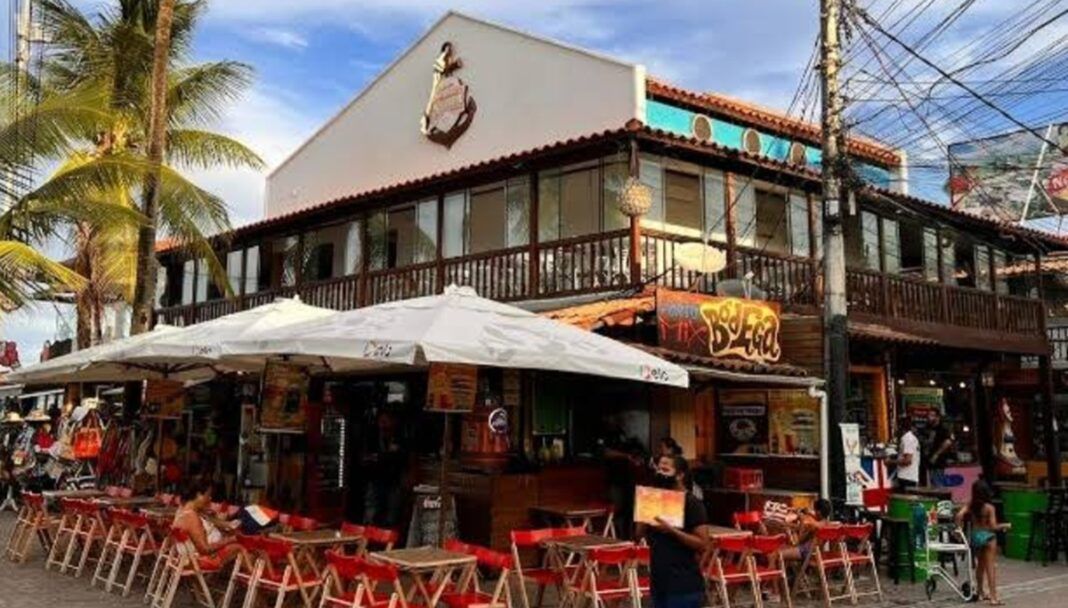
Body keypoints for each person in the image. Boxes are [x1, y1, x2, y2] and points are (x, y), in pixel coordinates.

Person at [636, 454, 711, 608]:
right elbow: (638, 535)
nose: (659, 472)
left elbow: (703, 544)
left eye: (665, 469)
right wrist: (642, 510)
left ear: (679, 475)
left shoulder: (692, 503)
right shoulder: (654, 498)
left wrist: (672, 530)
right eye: (658, 468)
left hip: (683, 585)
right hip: (659, 583)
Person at [955, 480, 1010, 605]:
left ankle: (980, 592)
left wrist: (959, 532)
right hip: (988, 537)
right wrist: (1005, 525)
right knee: (990, 567)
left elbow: (959, 515)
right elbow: (993, 526)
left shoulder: (970, 505)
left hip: (976, 537)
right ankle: (994, 597)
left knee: (980, 566)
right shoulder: (989, 508)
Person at [172, 479, 239, 568]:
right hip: (198, 561)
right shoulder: (192, 517)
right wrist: (230, 540)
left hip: (186, 558)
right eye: (208, 495)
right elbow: (205, 550)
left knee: (239, 547)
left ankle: (254, 577)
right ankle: (255, 578)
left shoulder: (182, 511)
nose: (210, 498)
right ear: (199, 495)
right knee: (240, 547)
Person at [777, 498, 833, 563]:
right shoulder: (828, 525)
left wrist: (802, 520)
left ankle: (776, 571)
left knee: (777, 554)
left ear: (818, 512)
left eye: (814, 510)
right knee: (784, 549)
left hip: (805, 552)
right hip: (816, 552)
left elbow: (800, 540)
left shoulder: (813, 525)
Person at [926, 413, 956, 486]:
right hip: (929, 462)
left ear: (937, 417)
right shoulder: (928, 428)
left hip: (938, 462)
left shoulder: (943, 428)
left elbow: (948, 442)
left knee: (938, 484)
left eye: (931, 415)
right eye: (928, 416)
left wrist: (936, 454)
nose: (929, 418)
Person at [895, 417, 921, 490]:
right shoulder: (911, 438)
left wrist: (890, 462)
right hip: (911, 476)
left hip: (906, 476)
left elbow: (908, 460)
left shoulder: (907, 438)